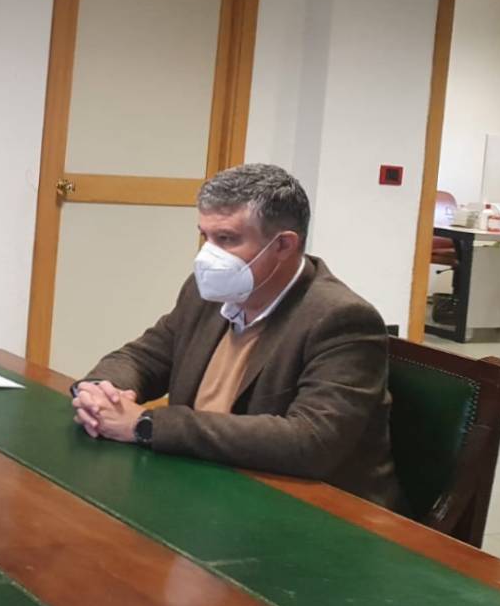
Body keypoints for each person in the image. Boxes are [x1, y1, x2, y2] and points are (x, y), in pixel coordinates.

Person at [71, 163, 402, 510]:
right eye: (206, 237)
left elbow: (311, 441)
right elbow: (143, 357)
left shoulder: (342, 319)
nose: (207, 256)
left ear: (283, 245)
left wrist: (146, 425)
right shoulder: (207, 293)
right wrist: (99, 392)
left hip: (316, 511)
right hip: (208, 486)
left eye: (226, 239)